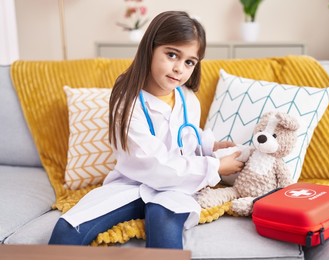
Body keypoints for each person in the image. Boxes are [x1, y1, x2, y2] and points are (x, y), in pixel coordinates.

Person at [48, 10, 243, 249]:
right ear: (150, 49)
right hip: (132, 183)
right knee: (67, 231)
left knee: (164, 224)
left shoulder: (188, 98)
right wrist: (215, 167)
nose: (179, 68)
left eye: (189, 62)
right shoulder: (126, 101)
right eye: (172, 55)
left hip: (175, 187)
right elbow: (151, 163)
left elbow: (186, 138)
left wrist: (208, 147)